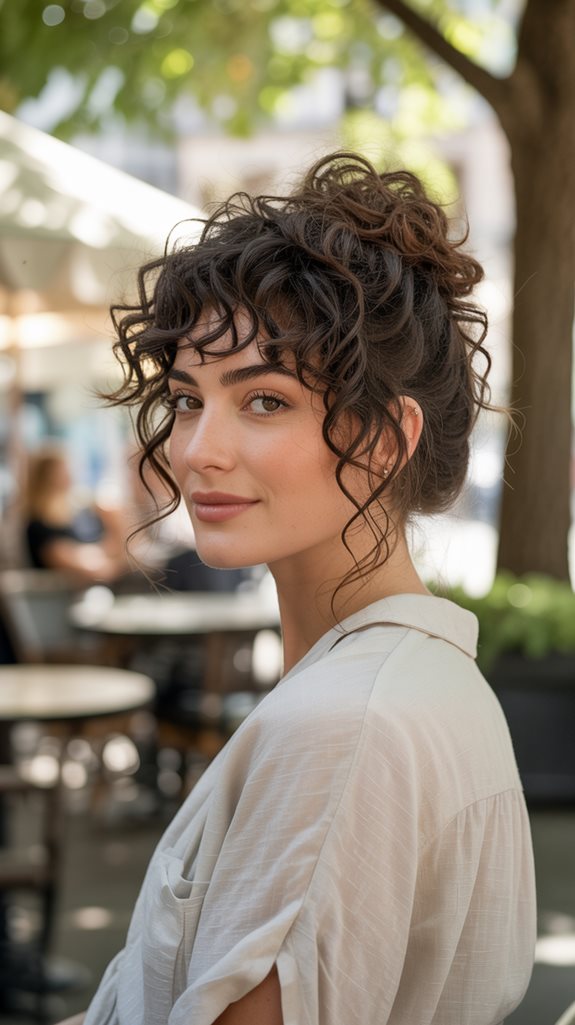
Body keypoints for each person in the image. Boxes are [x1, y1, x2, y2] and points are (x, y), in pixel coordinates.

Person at [58, 152, 536, 1025]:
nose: (199, 447)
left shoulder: (342, 728)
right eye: (189, 397)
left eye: (266, 400)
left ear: (386, 438)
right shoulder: (427, 685)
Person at [23, 447, 129, 584]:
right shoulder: (39, 527)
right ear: (47, 478)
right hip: (63, 597)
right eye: (62, 471)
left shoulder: (79, 516)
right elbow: (94, 569)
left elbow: (109, 553)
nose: (70, 475)